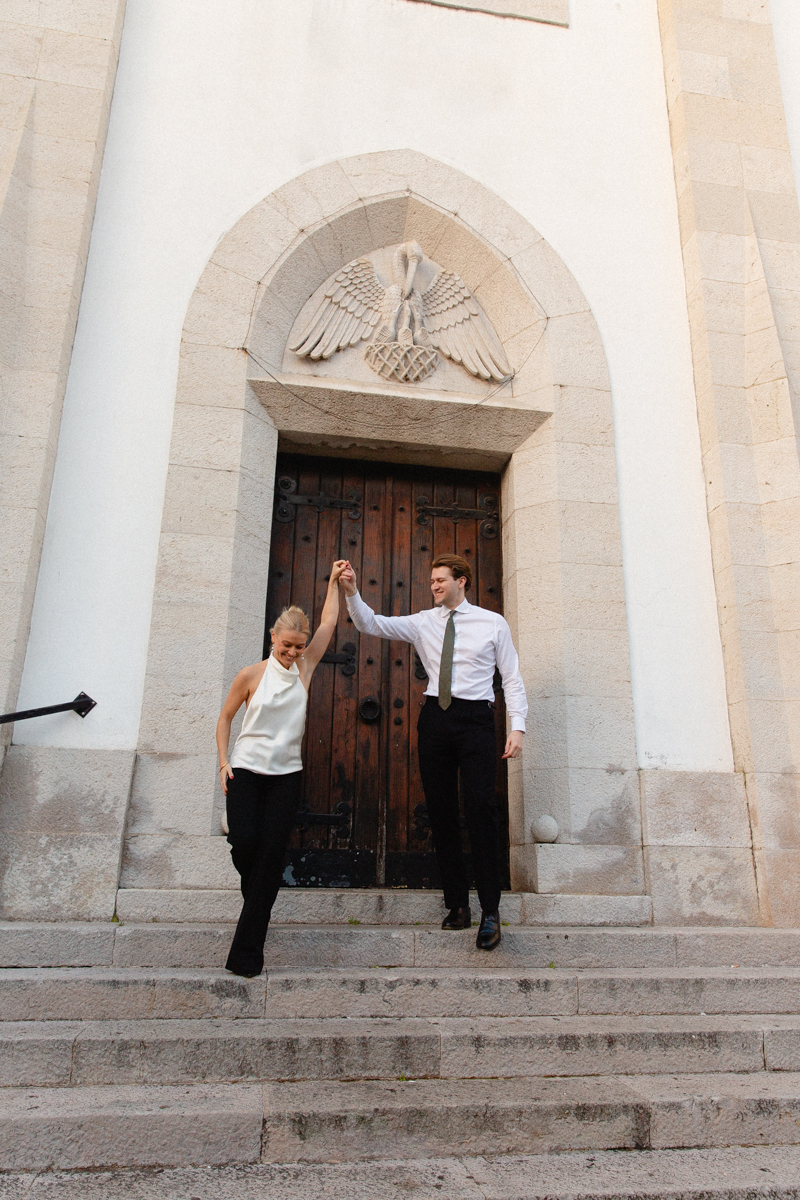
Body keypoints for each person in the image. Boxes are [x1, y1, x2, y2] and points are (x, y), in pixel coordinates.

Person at [340, 553, 527, 951]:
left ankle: (490, 911)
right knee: (441, 813)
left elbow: (510, 677)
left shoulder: (492, 623)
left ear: (462, 581)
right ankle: (458, 905)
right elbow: (371, 623)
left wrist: (517, 727)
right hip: (436, 723)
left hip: (476, 721)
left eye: (441, 580)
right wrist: (352, 592)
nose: (434, 586)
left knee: (481, 809)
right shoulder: (424, 622)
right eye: (431, 582)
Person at [216, 561, 347, 977]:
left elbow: (329, 620)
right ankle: (257, 903)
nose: (292, 652)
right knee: (244, 847)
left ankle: (246, 955)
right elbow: (225, 719)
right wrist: (222, 761)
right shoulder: (251, 674)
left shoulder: (305, 669)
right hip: (245, 772)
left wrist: (331, 583)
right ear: (273, 637)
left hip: (287, 775)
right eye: (286, 645)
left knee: (270, 859)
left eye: (298, 646)